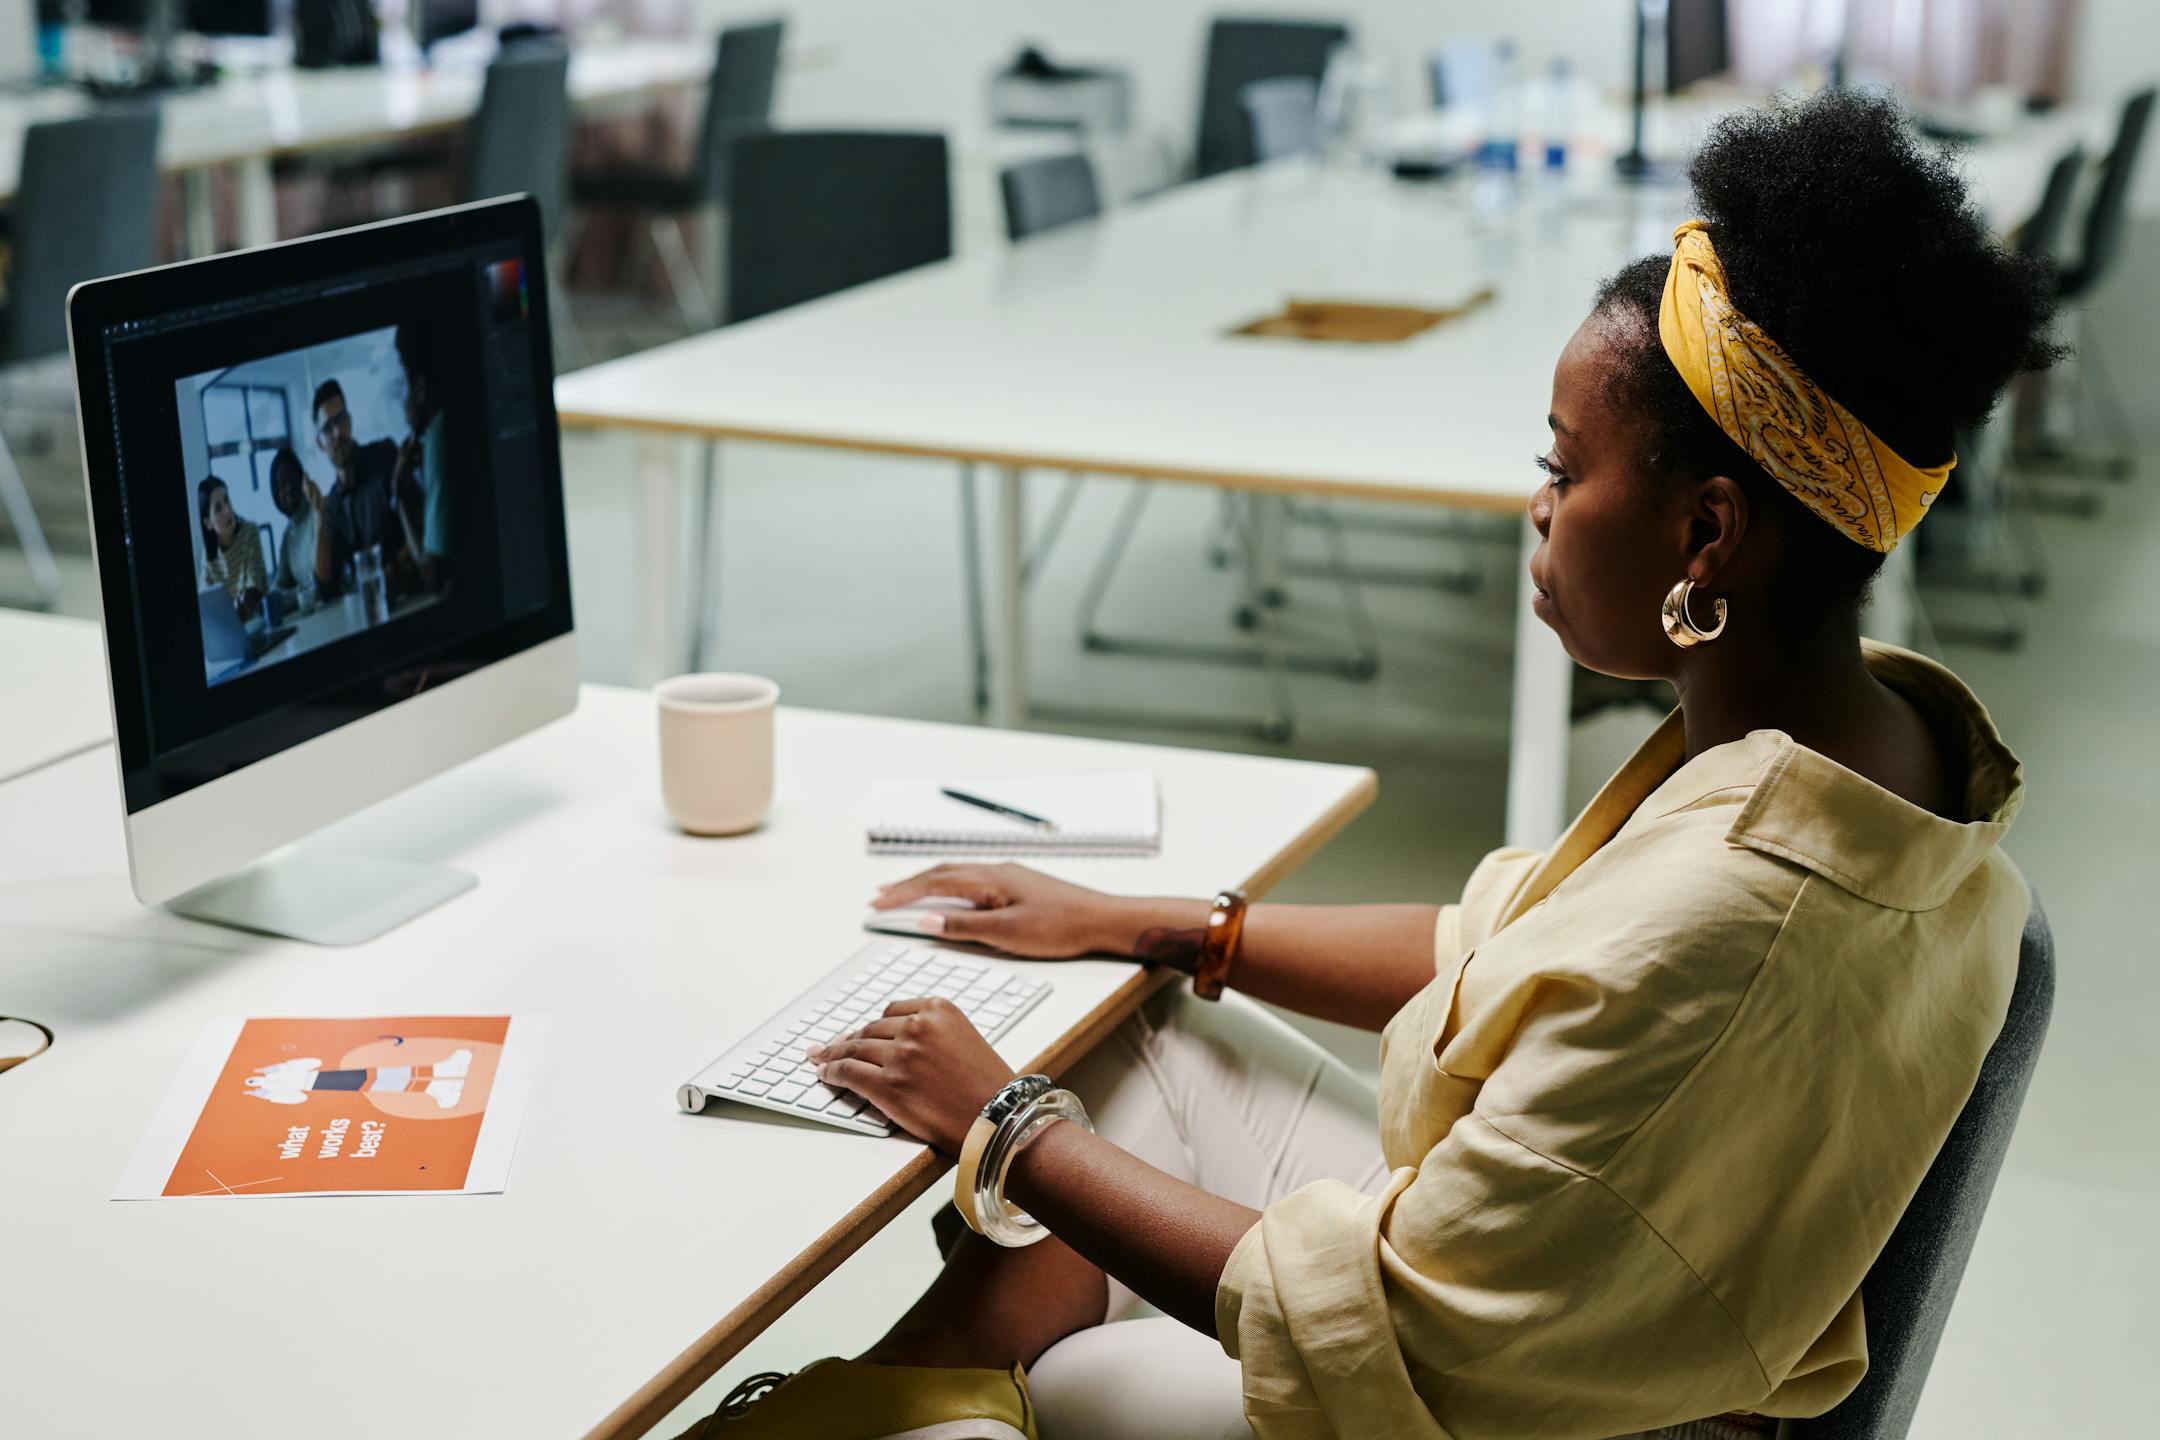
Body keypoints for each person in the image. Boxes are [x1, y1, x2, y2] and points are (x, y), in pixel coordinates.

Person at [689, 92, 2061, 1440]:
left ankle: (927, 1405)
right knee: (1142, 1039)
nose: (1537, 504)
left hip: (1566, 1405)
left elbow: (1407, 1329)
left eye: (1563, 467)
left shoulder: (1742, 911)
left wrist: (1003, 1122)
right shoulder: (1861, 741)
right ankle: (899, 1388)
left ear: (1708, 535)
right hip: (1573, 1274)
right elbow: (1505, 945)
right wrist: (1163, 926)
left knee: (1077, 1383)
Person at [312, 377, 417, 599]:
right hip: (373, 609)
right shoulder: (332, 504)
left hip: (413, 591)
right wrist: (319, 517)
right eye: (328, 428)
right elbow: (325, 587)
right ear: (320, 443)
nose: (338, 433)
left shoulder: (385, 456)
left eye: (340, 420)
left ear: (349, 421)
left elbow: (422, 519)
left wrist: (394, 567)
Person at [390, 318, 451, 593]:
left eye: (402, 385)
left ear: (420, 387)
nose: (402, 402)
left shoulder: (437, 439)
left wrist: (398, 491)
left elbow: (432, 574)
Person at [197, 477, 269, 622]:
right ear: (208, 523)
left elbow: (254, 588)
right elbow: (206, 604)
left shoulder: (250, 531)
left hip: (259, 620)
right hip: (231, 632)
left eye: (227, 500)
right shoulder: (208, 556)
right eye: (218, 508)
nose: (227, 510)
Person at [267, 446, 330, 610]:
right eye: (281, 485)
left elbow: (319, 585)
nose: (287, 488)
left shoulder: (319, 510)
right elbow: (278, 588)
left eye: (290, 479)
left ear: (302, 479)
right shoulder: (288, 536)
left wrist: (296, 595)